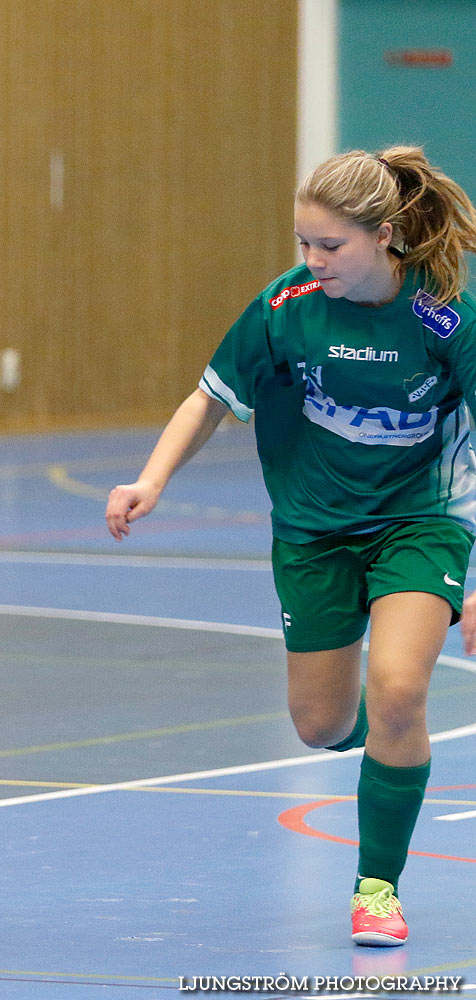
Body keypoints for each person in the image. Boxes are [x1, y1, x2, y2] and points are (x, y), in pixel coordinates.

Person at [106, 146, 476, 948]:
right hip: (313, 531)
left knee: (400, 689)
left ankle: (377, 886)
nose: (312, 260)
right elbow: (208, 400)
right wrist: (151, 480)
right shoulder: (287, 305)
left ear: (384, 236)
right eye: (303, 243)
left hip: (421, 518)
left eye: (330, 246)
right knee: (318, 724)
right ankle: (381, 745)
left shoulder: (445, 319)